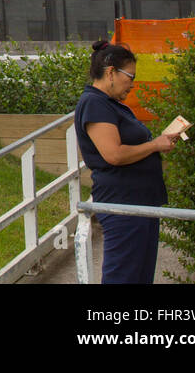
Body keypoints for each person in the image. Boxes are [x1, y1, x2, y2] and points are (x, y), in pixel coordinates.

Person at [74, 39, 177, 283]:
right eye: (130, 77)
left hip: (140, 202)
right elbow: (114, 154)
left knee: (139, 275)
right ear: (111, 72)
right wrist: (156, 144)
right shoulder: (95, 103)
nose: (132, 84)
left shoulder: (112, 105)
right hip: (123, 204)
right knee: (123, 276)